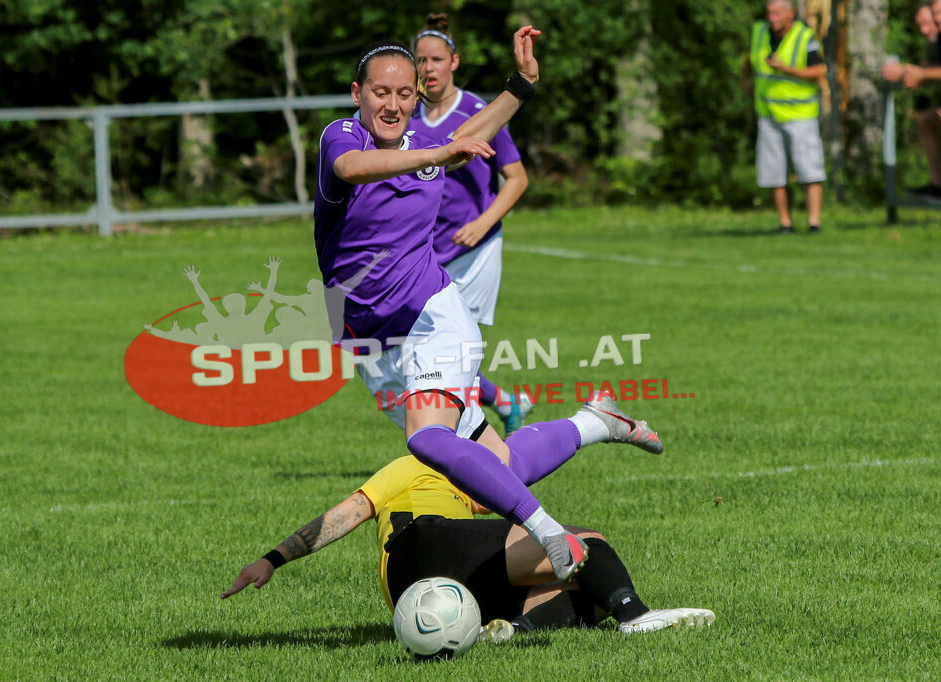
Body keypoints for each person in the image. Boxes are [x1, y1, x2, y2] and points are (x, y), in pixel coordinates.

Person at [313, 27, 665, 583]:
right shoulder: (341, 136)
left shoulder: (426, 148)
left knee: (427, 438)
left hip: (434, 315)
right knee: (496, 466)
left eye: (406, 94)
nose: (394, 103)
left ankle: (549, 532)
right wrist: (441, 151)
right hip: (363, 326)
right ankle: (594, 423)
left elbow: (468, 134)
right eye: (382, 92)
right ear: (357, 93)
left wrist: (519, 86)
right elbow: (353, 169)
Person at [221, 392, 714, 637]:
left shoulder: (471, 479)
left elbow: (514, 465)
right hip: (421, 545)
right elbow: (348, 513)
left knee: (586, 590)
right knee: (585, 543)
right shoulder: (413, 462)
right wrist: (273, 558)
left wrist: (272, 560)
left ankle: (514, 632)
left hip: (411, 590)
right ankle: (637, 617)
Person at [405, 13, 533, 437]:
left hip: (475, 250)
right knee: (424, 347)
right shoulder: (405, 119)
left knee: (453, 351)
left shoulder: (480, 111)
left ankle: (466, 450)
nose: (428, 69)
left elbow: (517, 179)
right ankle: (504, 406)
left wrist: (482, 223)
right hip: (429, 252)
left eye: (436, 59)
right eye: (420, 60)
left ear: (454, 62)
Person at [742, 0, 827, 234]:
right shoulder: (759, 31)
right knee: (773, 171)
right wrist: (744, 79)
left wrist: (785, 69)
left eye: (777, 12)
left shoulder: (804, 36)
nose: (772, 17)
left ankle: (814, 223)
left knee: (809, 169)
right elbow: (750, 58)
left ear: (790, 14)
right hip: (768, 112)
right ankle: (785, 224)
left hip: (800, 114)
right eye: (769, 12)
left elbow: (819, 71)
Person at [882, 3, 941, 198]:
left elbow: (927, 70)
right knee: (927, 119)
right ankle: (936, 184)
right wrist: (907, 71)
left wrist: (921, 74)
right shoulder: (937, 42)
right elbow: (930, 66)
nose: (925, 29)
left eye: (931, 19)